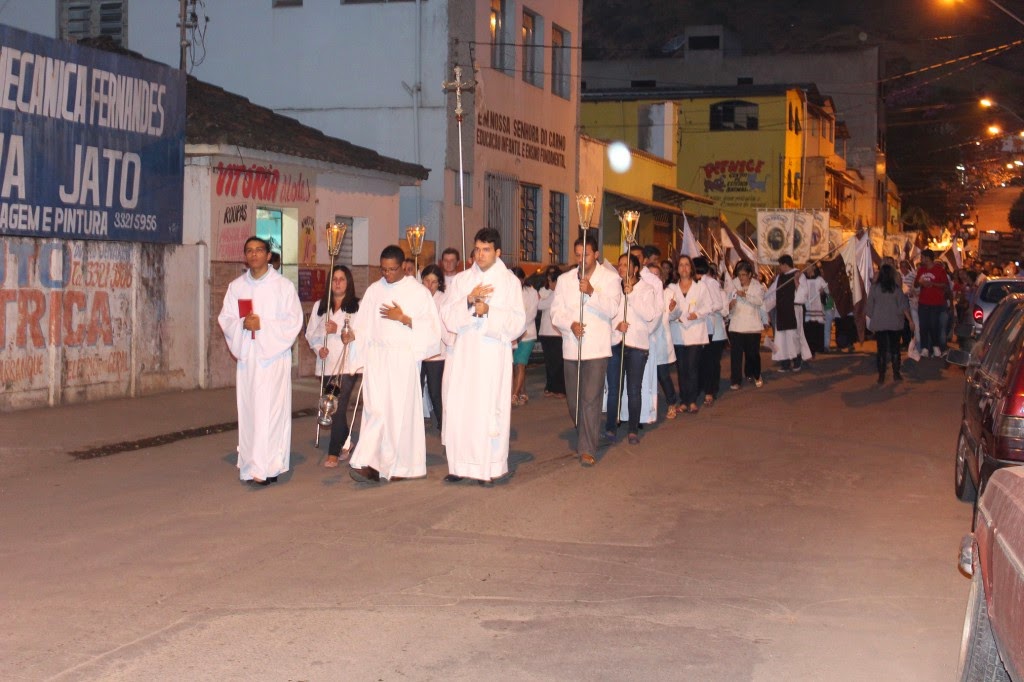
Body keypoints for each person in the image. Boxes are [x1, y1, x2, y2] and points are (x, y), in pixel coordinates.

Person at [344, 245, 443, 483]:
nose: (387, 274)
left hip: (402, 360)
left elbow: (432, 331)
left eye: (392, 269)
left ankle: (402, 466)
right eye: (383, 269)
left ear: (404, 268)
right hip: (377, 359)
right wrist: (353, 336)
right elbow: (363, 325)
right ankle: (370, 463)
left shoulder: (418, 292)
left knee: (399, 414)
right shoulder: (374, 291)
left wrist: (405, 318)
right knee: (375, 411)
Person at [440, 228, 526, 485]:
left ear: (497, 252)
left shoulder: (509, 282)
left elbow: (518, 322)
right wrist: (468, 301)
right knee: (461, 408)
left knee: (488, 410)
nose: (480, 254)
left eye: (486, 250)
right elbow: (447, 317)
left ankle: (489, 468)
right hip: (465, 354)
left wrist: (489, 311)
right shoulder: (462, 280)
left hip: (492, 354)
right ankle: (459, 465)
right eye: (477, 249)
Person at [217, 236, 303, 485]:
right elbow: (226, 319)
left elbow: (294, 321)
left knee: (271, 411)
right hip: (249, 358)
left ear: (268, 255)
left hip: (273, 358)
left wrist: (263, 324)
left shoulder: (283, 286)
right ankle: (251, 465)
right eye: (249, 251)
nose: (254, 254)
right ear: (245, 257)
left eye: (259, 250)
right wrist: (243, 324)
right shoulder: (236, 287)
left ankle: (270, 466)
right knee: (250, 411)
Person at [551, 236, 622, 467]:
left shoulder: (610, 279)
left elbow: (612, 309)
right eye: (578, 254)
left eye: (586, 254)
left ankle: (587, 448)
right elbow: (555, 313)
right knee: (574, 402)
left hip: (597, 349)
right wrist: (569, 324)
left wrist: (592, 292)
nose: (581, 259)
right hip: (572, 348)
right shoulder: (564, 280)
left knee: (591, 399)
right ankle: (586, 432)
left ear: (596, 255)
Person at [305, 265, 361, 468]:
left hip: (346, 364)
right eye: (334, 279)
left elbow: (361, 333)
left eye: (341, 279)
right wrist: (318, 348)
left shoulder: (357, 306)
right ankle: (346, 440)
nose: (337, 283)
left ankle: (333, 452)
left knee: (337, 405)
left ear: (348, 282)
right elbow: (310, 333)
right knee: (332, 404)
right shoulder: (320, 306)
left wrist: (338, 330)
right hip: (327, 363)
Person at [605, 253, 659, 445]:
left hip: (636, 346)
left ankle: (633, 429)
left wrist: (632, 294)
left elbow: (649, 314)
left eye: (625, 264)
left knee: (634, 389)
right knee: (614, 388)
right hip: (616, 343)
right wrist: (616, 326)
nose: (621, 268)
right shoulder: (613, 288)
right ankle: (611, 427)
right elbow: (608, 315)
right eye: (619, 264)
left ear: (635, 269)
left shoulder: (646, 289)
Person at [667, 255, 711, 414]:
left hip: (695, 332)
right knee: (682, 368)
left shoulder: (700, 287)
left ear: (691, 268)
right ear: (677, 269)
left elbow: (708, 306)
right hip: (678, 333)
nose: (684, 268)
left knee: (692, 367)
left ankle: (691, 400)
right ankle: (684, 400)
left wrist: (697, 314)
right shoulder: (671, 288)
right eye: (681, 265)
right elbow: (668, 312)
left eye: (687, 265)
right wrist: (673, 311)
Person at [867, 263, 915, 383]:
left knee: (881, 350)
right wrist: (910, 320)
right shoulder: (896, 289)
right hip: (894, 322)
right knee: (895, 348)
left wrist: (874, 316)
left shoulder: (874, 288)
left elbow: (869, 307)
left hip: (880, 322)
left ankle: (881, 375)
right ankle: (896, 373)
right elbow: (903, 306)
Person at [765, 255, 811, 372]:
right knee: (781, 339)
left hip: (793, 311)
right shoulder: (779, 277)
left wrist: (796, 281)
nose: (779, 267)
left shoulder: (799, 275)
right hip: (781, 312)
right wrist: (762, 304)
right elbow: (772, 293)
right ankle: (785, 364)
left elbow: (803, 295)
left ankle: (797, 361)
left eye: (780, 265)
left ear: (785, 265)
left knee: (793, 337)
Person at [420, 264, 451, 434]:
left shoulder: (444, 299)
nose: (429, 285)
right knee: (415, 390)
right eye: (426, 281)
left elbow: (441, 325)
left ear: (439, 283)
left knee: (435, 391)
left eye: (434, 282)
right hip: (419, 352)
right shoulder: (417, 297)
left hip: (437, 354)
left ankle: (444, 425)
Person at [725, 260, 766, 389]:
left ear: (749, 274)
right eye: (739, 275)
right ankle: (735, 380)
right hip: (736, 325)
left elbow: (759, 301)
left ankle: (756, 374)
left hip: (752, 326)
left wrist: (745, 295)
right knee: (736, 355)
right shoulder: (733, 284)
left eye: (743, 275)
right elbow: (726, 303)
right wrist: (730, 305)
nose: (741, 278)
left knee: (753, 354)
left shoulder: (757, 286)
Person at [694, 258, 728, 408]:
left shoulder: (711, 282)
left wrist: (701, 310)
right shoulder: (694, 283)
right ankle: (702, 388)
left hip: (712, 328)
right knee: (700, 361)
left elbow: (718, 304)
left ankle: (710, 391)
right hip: (698, 328)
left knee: (711, 362)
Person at [648, 262, 679, 417]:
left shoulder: (668, 293)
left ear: (661, 278)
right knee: (646, 377)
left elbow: (674, 316)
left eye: (656, 275)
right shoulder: (641, 293)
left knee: (663, 375)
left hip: (661, 342)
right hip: (645, 342)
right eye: (650, 275)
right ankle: (647, 408)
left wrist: (674, 309)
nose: (653, 278)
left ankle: (672, 403)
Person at [511, 266, 539, 407]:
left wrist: (519, 330)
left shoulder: (532, 292)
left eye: (518, 280)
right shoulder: (508, 292)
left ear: (523, 280)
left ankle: (514, 395)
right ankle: (523, 392)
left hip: (527, 334)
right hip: (512, 336)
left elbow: (531, 314)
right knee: (514, 365)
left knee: (520, 363)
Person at [914, 249, 950, 358]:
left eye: (922, 257)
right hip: (923, 302)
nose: (921, 259)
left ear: (928, 258)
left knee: (934, 325)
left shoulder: (939, 270)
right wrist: (920, 282)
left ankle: (936, 347)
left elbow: (945, 285)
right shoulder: (921, 270)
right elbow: (915, 284)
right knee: (923, 325)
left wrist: (932, 283)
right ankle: (924, 348)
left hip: (936, 303)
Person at [536, 265, 566, 398]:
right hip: (545, 331)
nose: (550, 283)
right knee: (549, 362)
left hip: (556, 333)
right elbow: (538, 303)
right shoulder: (545, 290)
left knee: (558, 362)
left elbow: (541, 304)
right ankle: (550, 386)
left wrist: (542, 298)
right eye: (548, 279)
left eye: (552, 280)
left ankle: (560, 389)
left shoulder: (558, 293)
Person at [801, 263, 829, 357]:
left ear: (813, 267)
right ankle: (809, 350)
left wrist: (823, 292)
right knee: (808, 329)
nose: (806, 267)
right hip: (807, 308)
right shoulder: (803, 279)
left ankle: (815, 349)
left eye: (808, 265)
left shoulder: (819, 279)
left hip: (817, 308)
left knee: (816, 329)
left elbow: (827, 291)